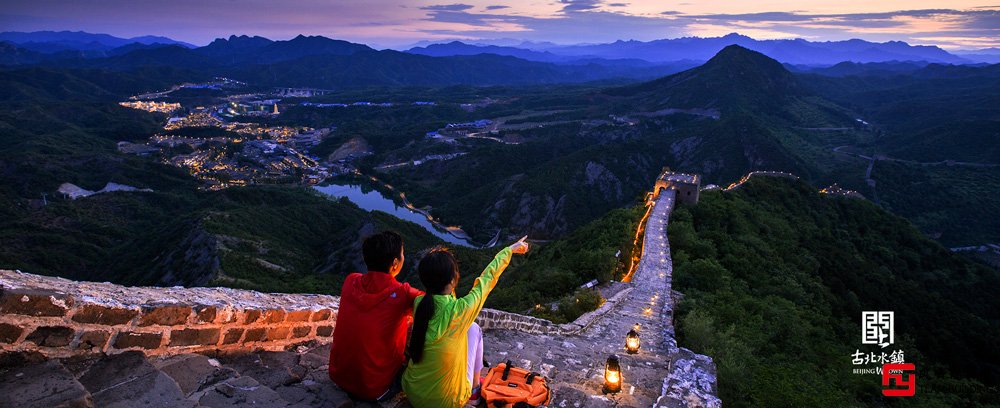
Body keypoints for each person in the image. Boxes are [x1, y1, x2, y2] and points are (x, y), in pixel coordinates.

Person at [402, 237, 530, 408]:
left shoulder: (419, 304)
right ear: (453, 280)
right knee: (474, 329)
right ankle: (475, 390)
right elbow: (486, 281)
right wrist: (508, 251)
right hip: (446, 402)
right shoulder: (460, 311)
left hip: (412, 390)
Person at [329, 231, 424, 401]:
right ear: (395, 263)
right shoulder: (404, 293)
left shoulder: (351, 281)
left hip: (339, 376)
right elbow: (436, 304)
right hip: (376, 389)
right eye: (402, 254)